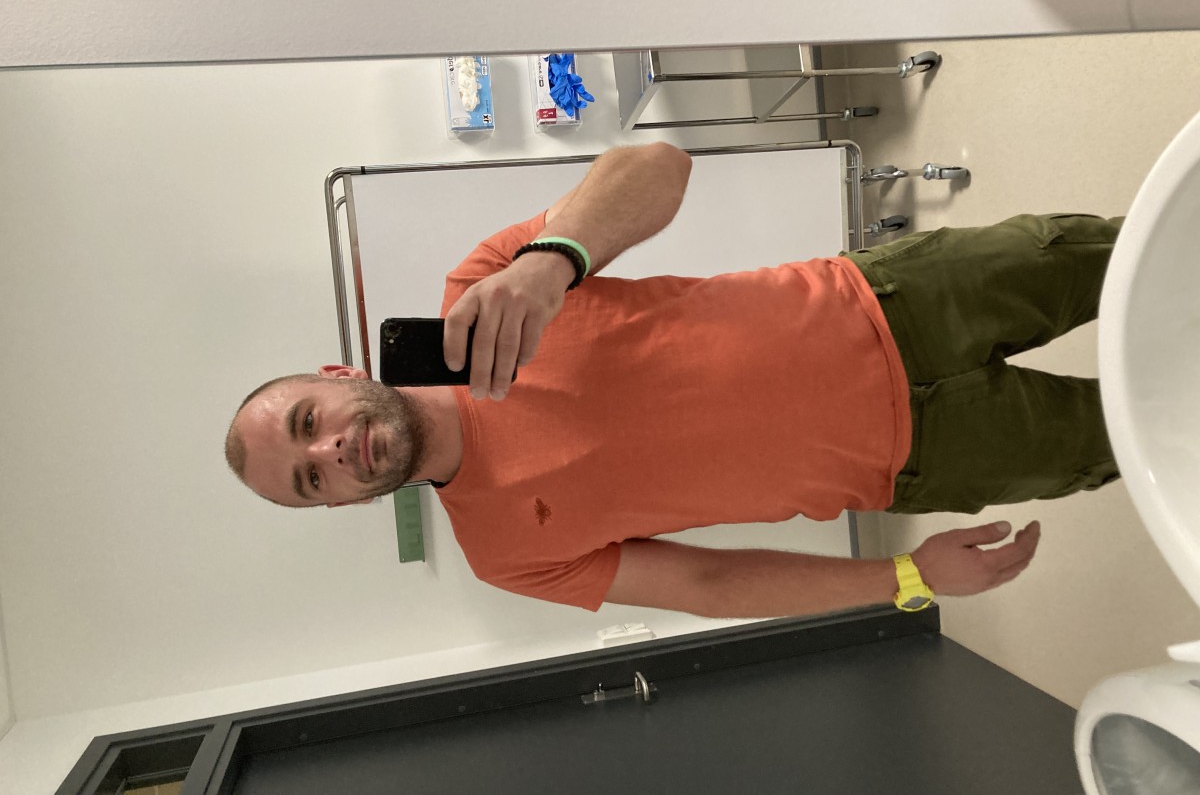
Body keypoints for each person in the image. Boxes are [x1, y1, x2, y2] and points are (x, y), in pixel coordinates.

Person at [225, 142, 1121, 618]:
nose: (332, 450)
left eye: (308, 420)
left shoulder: (480, 292)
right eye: (312, 478)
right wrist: (907, 578)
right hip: (926, 457)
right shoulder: (506, 556)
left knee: (1144, 257)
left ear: (338, 374)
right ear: (340, 504)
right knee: (1162, 424)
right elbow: (707, 587)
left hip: (893, 300)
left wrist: (552, 259)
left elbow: (660, 167)